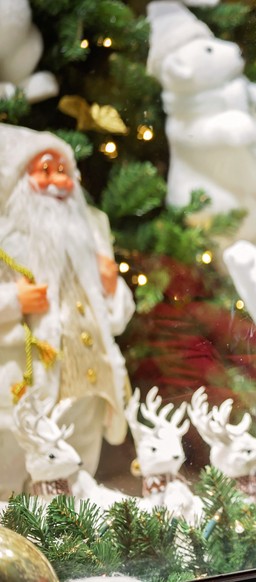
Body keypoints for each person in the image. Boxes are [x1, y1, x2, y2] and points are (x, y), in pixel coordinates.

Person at [0, 123, 135, 500]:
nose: (57, 181)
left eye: (63, 171)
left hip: (90, 391)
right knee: (13, 478)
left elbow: (118, 318)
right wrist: (14, 300)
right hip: (24, 385)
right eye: (44, 171)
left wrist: (111, 290)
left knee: (76, 474)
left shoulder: (90, 232)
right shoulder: (7, 238)